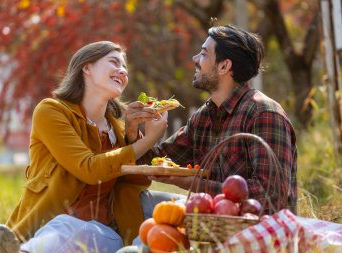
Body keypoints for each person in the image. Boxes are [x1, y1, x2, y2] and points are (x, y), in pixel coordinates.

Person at [0, 41, 168, 253]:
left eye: (124, 67)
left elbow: (137, 182)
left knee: (78, 230)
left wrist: (134, 137)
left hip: (104, 232)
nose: (122, 70)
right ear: (86, 68)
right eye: (114, 62)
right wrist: (148, 141)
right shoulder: (51, 111)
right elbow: (89, 169)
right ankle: (2, 245)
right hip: (48, 227)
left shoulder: (119, 127)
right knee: (64, 227)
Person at [126, 23, 297, 215]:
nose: (195, 59)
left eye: (204, 53)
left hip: (258, 233)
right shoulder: (203, 118)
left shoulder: (263, 114)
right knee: (140, 201)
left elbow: (271, 196)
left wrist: (195, 184)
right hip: (211, 223)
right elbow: (154, 162)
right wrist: (134, 130)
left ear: (224, 66)